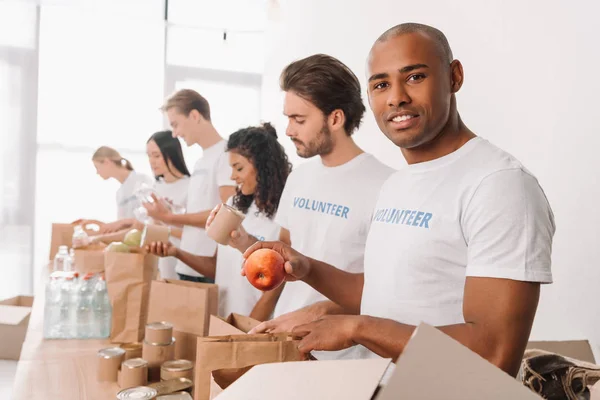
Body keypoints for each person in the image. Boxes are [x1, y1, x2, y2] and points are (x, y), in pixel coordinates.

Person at [245, 23, 555, 378]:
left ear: (454, 77)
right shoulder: (398, 183)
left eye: (415, 77)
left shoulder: (499, 185)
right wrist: (308, 268)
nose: (396, 98)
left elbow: (493, 353)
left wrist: (355, 328)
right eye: (380, 85)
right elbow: (378, 293)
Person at [255, 54, 394, 359]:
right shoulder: (299, 178)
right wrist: (258, 319)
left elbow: (387, 292)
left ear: (335, 118)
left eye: (299, 119)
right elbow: (284, 251)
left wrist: (320, 311)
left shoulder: (388, 186)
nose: (288, 130)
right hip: (285, 345)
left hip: (342, 358)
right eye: (288, 117)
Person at [146, 122, 291, 320]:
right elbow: (216, 266)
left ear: (263, 166)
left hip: (256, 326)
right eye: (231, 168)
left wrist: (248, 329)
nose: (232, 177)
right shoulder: (234, 205)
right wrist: (177, 252)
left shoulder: (284, 214)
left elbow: (276, 288)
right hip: (225, 318)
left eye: (238, 168)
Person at [144, 89, 236, 283]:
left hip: (206, 267)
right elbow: (200, 211)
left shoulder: (226, 155)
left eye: (176, 124)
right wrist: (168, 214)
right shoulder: (200, 162)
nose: (175, 133)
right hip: (187, 262)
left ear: (194, 116)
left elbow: (226, 215)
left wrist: (169, 217)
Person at [74, 146, 154, 231]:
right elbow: (121, 227)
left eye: (97, 167)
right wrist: (96, 223)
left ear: (107, 162)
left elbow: (148, 221)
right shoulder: (119, 193)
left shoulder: (142, 180)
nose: (97, 172)